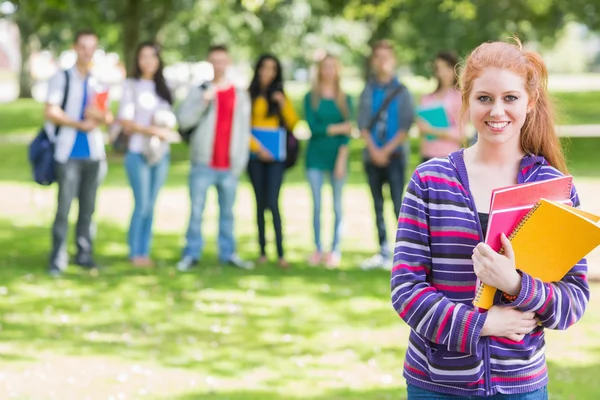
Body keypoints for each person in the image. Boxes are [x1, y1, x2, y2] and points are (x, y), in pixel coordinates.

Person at [392, 38, 589, 399]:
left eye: (510, 98)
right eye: (484, 98)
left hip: (521, 387)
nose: (497, 110)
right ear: (466, 102)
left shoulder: (553, 190)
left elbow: (572, 301)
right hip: (436, 385)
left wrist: (515, 285)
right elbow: (406, 291)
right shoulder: (430, 181)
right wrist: (482, 324)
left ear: (530, 103)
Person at [176, 44, 253, 271]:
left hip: (229, 164)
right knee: (197, 212)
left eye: (222, 61)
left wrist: (240, 159)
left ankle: (228, 253)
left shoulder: (239, 94)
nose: (218, 65)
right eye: (214, 61)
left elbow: (244, 128)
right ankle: (191, 253)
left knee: (228, 213)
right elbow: (184, 121)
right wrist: (204, 102)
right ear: (209, 63)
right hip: (203, 162)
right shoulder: (199, 90)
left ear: (228, 62)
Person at [45, 29, 113, 276]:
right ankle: (57, 258)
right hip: (68, 153)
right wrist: (79, 123)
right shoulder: (62, 78)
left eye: (92, 47)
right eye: (83, 47)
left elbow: (107, 116)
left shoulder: (99, 81)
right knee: (63, 209)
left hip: (94, 154)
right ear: (75, 48)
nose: (87, 52)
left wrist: (99, 117)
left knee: (88, 209)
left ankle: (84, 254)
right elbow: (50, 111)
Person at [117, 41, 178, 267]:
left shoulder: (165, 87)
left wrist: (165, 129)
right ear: (138, 60)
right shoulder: (131, 85)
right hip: (137, 151)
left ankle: (145, 250)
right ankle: (135, 252)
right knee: (141, 203)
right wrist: (151, 130)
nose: (148, 61)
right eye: (143, 56)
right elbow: (125, 121)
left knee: (151, 204)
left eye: (152, 56)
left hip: (160, 153)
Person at [357, 40, 415, 270]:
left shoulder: (402, 92)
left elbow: (405, 126)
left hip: (396, 156)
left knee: (398, 204)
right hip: (372, 156)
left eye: (387, 57)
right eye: (378, 57)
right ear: (373, 61)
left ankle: (404, 251)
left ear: (394, 61)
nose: (383, 63)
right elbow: (362, 124)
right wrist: (374, 150)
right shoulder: (368, 91)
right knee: (377, 204)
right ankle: (382, 248)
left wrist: (386, 150)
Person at [247, 54, 299, 268]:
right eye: (264, 68)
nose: (267, 72)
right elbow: (243, 126)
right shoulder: (249, 95)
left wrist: (282, 103)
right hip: (255, 156)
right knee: (259, 204)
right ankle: (261, 251)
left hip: (276, 157)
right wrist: (258, 149)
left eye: (272, 69)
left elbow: (293, 123)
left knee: (274, 202)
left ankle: (280, 253)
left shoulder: (280, 95)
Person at [303, 54, 353, 268]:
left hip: (337, 157)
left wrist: (341, 158)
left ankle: (335, 249)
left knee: (337, 206)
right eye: (325, 67)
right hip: (315, 157)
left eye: (333, 66)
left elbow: (348, 132)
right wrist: (337, 127)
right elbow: (313, 128)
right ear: (320, 70)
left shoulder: (345, 98)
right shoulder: (310, 97)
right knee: (317, 205)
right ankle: (317, 248)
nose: (329, 71)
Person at [417, 50, 467, 163]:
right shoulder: (426, 98)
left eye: (446, 67)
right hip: (427, 156)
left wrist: (431, 130)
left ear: (454, 69)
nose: (441, 73)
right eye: (438, 68)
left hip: (448, 157)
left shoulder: (459, 98)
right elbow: (421, 129)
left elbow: (461, 134)